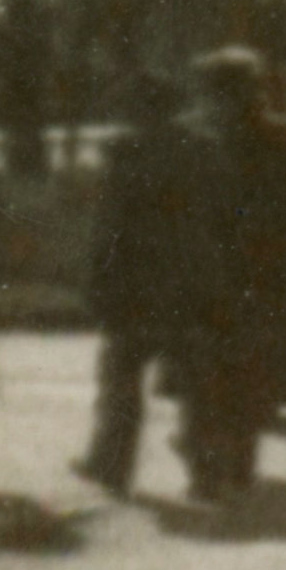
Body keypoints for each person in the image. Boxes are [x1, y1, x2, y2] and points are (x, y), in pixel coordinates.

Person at [179, 45, 286, 500]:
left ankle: (230, 464)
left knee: (242, 368)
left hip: (256, 274)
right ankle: (242, 461)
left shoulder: (216, 141)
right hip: (260, 273)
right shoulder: (281, 140)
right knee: (272, 365)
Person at [70, 65, 207, 499]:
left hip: (133, 282)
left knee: (121, 378)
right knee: (195, 382)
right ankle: (205, 469)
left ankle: (112, 464)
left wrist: (96, 278)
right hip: (187, 278)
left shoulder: (125, 155)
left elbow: (109, 225)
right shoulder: (198, 152)